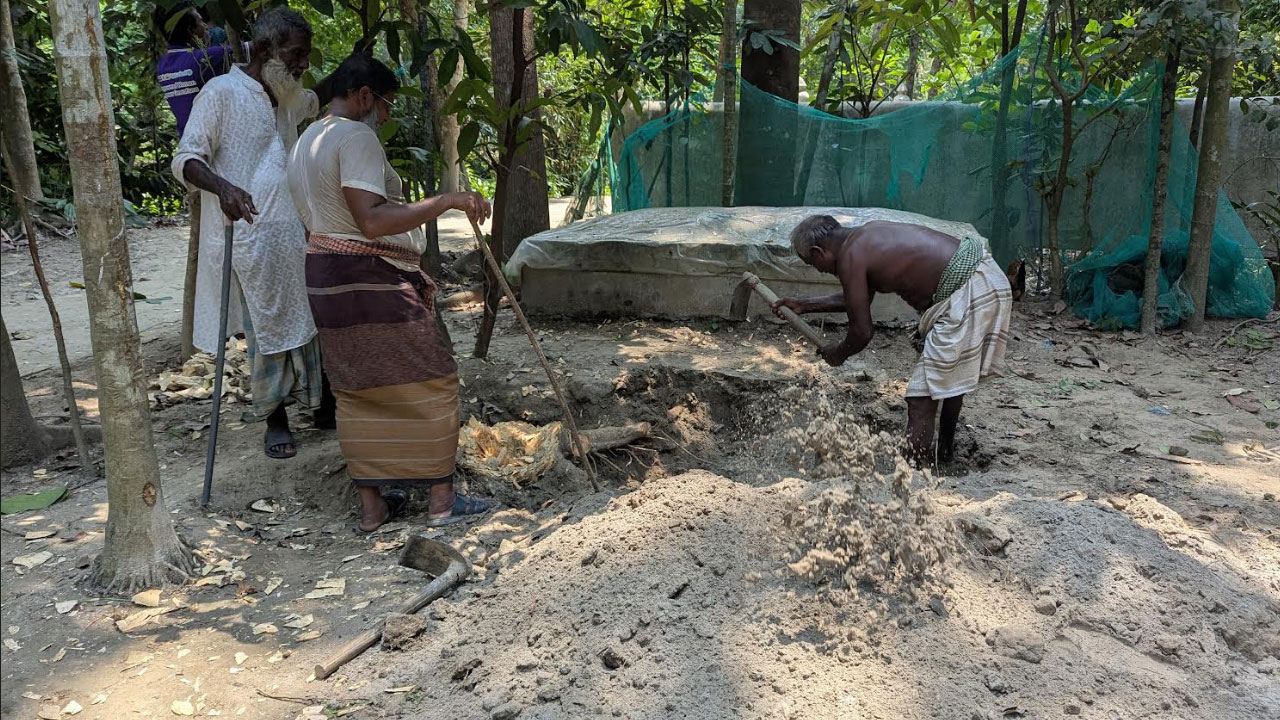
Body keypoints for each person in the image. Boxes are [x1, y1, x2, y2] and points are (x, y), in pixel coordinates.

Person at [287, 53, 493, 531]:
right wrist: (447, 200)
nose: (385, 117)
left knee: (359, 388)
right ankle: (441, 501)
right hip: (369, 277)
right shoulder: (353, 136)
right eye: (384, 105)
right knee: (432, 378)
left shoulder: (307, 139)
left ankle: (373, 507)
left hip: (326, 278)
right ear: (363, 97)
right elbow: (372, 221)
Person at [172, 8, 334, 460]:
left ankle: (322, 405)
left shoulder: (286, 96)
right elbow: (185, 158)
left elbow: (315, 100)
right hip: (247, 238)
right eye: (296, 54)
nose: (303, 64)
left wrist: (352, 69)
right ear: (265, 50)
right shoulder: (221, 93)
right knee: (265, 327)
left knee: (310, 320)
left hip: (292, 234)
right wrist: (222, 187)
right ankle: (274, 417)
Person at [773, 217, 1012, 464]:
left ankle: (912, 475)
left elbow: (862, 332)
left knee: (921, 398)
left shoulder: (850, 257)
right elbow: (855, 299)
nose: (822, 271)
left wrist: (838, 353)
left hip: (970, 292)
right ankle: (944, 454)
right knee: (949, 378)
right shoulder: (865, 237)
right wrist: (803, 306)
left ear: (818, 252)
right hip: (985, 276)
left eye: (816, 265)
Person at [153, 1, 233, 138]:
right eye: (201, 22)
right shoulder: (204, 58)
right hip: (213, 139)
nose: (206, 26)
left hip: (187, 141)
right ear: (191, 30)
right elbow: (256, 48)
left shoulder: (163, 66)